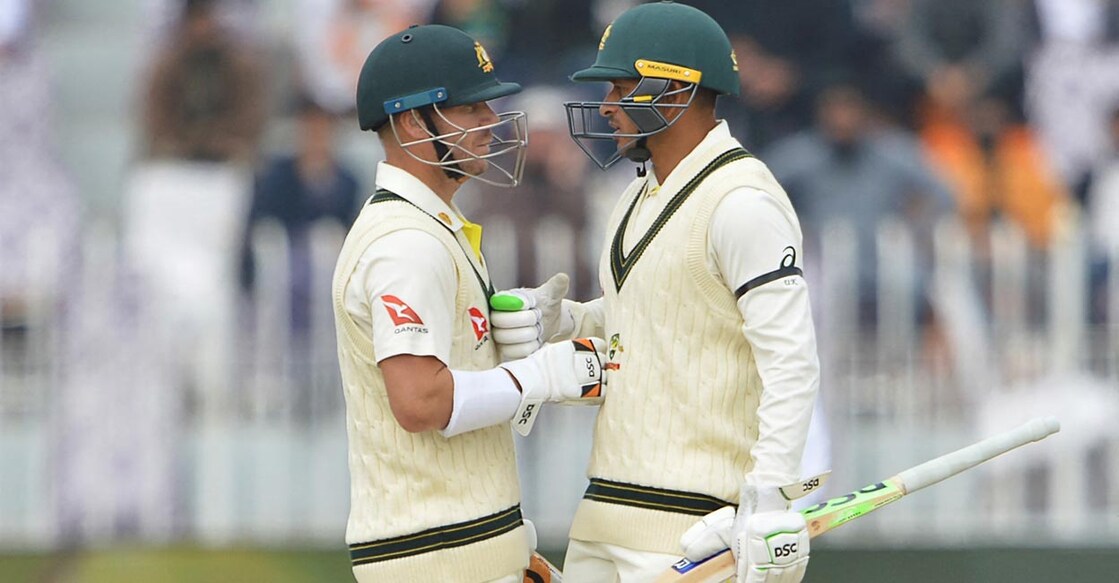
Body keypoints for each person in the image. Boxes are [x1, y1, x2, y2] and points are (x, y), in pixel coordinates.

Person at [491, 3, 821, 581]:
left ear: (673, 92)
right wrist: (563, 321)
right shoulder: (634, 193)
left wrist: (769, 493)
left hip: (693, 523)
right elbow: (647, 317)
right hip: (604, 510)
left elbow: (791, 361)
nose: (607, 107)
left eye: (620, 88)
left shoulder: (743, 203)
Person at [330, 24, 605, 582]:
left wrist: (504, 550)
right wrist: (539, 377)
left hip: (457, 551)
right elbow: (420, 401)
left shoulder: (434, 225)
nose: (490, 126)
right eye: (470, 110)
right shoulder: (405, 243)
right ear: (412, 121)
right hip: (431, 557)